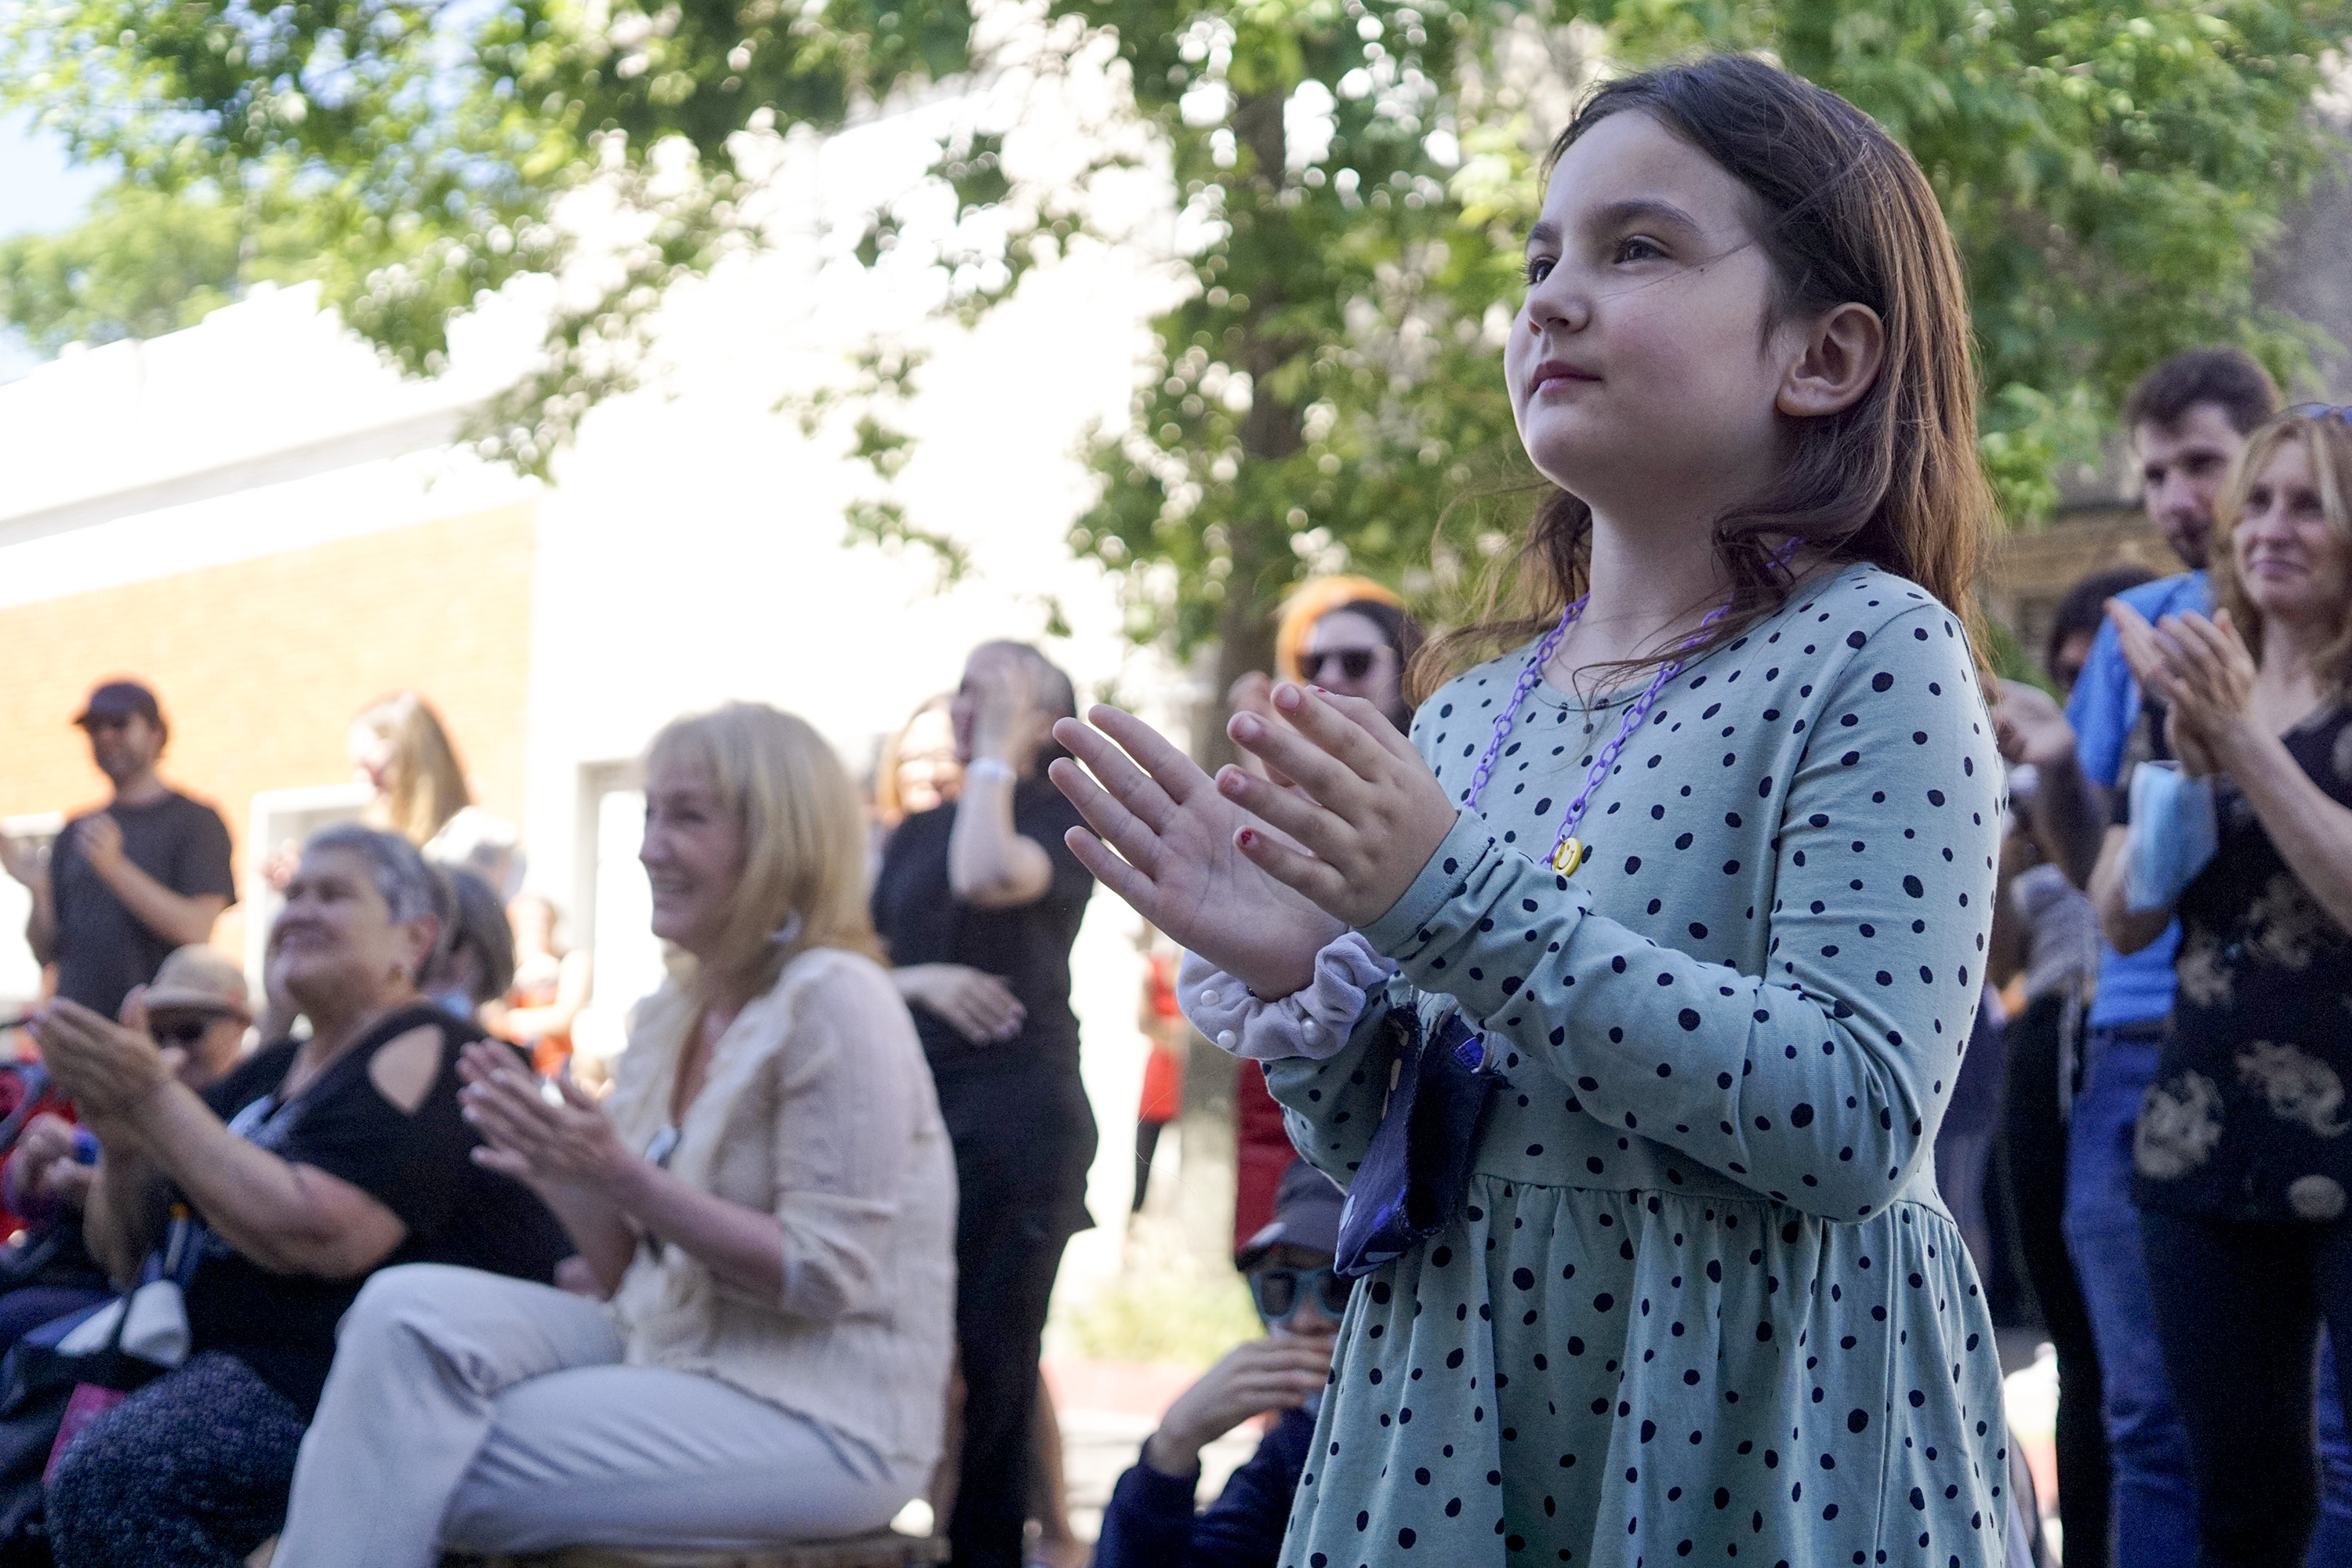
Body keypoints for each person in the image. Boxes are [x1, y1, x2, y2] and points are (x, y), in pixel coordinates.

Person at [1051, 54, 2008, 1562]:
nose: (1552, 297)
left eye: (1637, 248)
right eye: (1540, 258)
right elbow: (1431, 1140)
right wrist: (1312, 985)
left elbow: (1851, 1119)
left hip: (1741, 1435)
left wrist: (1445, 902)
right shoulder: (1475, 710)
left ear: (1824, 355)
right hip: (1461, 1422)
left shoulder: (1873, 651)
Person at [262, 704, 956, 1567]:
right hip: (670, 1341)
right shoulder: (677, 1010)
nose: (649, 846)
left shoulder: (838, 998)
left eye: (688, 816)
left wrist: (621, 1175)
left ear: (780, 836)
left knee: (410, 1454)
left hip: (827, 1414)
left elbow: (823, 1274)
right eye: (649, 814)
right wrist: (559, 1165)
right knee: (404, 1312)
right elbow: (631, 1265)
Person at [27, 824, 571, 1568]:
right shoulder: (271, 1069)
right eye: (294, 894)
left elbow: (327, 1236)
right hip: (221, 1361)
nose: (299, 912)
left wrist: (155, 1098)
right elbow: (126, 1253)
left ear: (413, 939)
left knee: (116, 1478)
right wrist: (122, 1145)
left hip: (341, 1384)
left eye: (334, 895)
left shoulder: (439, 1053)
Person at [1994, 347, 2282, 1568]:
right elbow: (2107, 877)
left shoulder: (2325, 616)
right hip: (2130, 1044)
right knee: (2142, 1416)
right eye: (2157, 473)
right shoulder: (2138, 628)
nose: (2177, 500)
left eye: (2203, 466)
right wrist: (2062, 768)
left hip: (2298, 1040)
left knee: (2310, 1432)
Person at [2088, 405, 2352, 1566]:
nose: (2270, 530)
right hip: (2202, 1134)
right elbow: (2125, 912)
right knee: (2240, 1501)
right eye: (2260, 504)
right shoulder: (2200, 680)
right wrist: (2186, 762)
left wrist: (2240, 739)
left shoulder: (2253, 696)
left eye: (2310, 505)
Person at [872, 641, 1095, 1568]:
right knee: (916, 1340)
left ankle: (989, 1551)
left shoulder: (1062, 816)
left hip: (1017, 1117)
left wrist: (1002, 750)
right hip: (915, 1113)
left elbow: (987, 875)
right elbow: (853, 955)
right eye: (965, 687)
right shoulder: (918, 831)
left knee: (999, 1359)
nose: (968, 705)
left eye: (995, 692)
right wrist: (919, 979)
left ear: (1043, 720)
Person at [1986, 565, 2154, 1566]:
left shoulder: (2132, 776)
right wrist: (2011, 851)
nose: (2077, 675)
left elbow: (2129, 907)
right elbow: (2002, 966)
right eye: (2067, 664)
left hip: (2133, 1039)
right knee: (2077, 1350)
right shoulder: (2029, 790)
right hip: (2044, 1042)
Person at [0, 945, 257, 1352]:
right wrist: (29, 1172)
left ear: (240, 1027)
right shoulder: (129, 1092)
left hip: (160, 1304)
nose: (174, 1049)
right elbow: (31, 1206)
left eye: (191, 1031)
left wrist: (98, 1188)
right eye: (158, 1032)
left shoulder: (248, 1109)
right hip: (81, 1275)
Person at [1094, 1160, 1343, 1568]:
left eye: (1341, 1284)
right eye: (1281, 1285)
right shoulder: (1297, 1442)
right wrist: (1171, 1449)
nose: (1304, 1320)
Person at [0, 681, 235, 1021]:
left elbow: (197, 930)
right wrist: (39, 890)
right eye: (95, 728)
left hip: (158, 1038)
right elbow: (47, 952)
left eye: (119, 724)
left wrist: (115, 869)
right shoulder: (75, 829)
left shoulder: (196, 822)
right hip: (79, 1035)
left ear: (156, 733)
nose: (105, 737)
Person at [350, 691, 522, 897]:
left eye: (370, 764)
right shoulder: (377, 842)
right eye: (356, 766)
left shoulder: (472, 837)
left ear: (413, 758)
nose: (362, 778)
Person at [489, 895, 593, 1076]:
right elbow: (492, 1016)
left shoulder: (572, 961)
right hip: (516, 1065)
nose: (539, 928)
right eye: (530, 920)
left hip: (559, 1067)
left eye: (545, 920)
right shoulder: (507, 966)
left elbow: (564, 1016)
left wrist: (509, 1020)